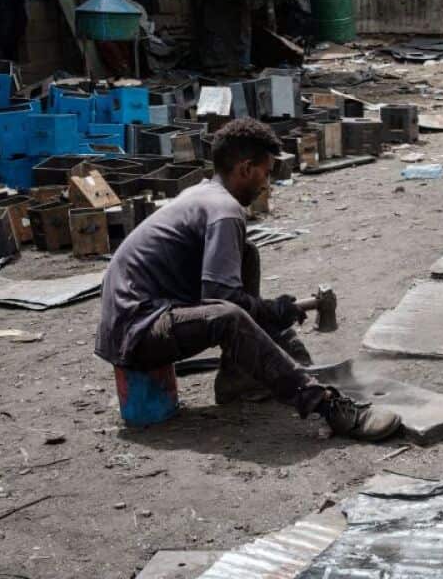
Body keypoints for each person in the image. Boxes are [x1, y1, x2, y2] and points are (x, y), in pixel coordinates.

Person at [95, 118, 401, 441]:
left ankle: (238, 379)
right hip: (135, 331)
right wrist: (270, 312)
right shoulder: (225, 210)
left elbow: (219, 287)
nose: (266, 183)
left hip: (139, 318)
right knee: (227, 317)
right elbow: (221, 300)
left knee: (247, 254)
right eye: (265, 173)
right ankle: (326, 406)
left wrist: (272, 317)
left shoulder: (203, 193)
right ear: (244, 168)